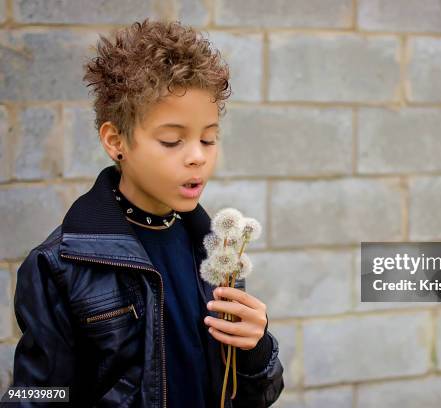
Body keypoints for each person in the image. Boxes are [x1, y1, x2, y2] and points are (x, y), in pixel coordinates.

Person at [8, 18, 284, 408]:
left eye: (209, 137)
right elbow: (35, 396)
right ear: (115, 140)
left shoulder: (216, 252)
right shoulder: (60, 265)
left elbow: (254, 395)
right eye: (172, 140)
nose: (197, 157)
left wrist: (257, 348)